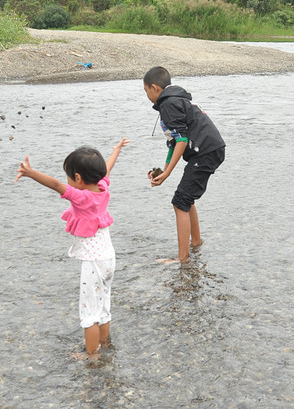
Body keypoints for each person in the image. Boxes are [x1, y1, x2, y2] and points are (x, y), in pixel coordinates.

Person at [15, 138, 128, 359]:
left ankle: (92, 355)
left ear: (77, 178)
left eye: (69, 176)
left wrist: (31, 173)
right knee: (103, 305)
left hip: (94, 261)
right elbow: (108, 167)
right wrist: (116, 150)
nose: (67, 181)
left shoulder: (82, 197)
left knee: (89, 310)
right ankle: (104, 344)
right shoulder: (102, 187)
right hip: (108, 258)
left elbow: (56, 185)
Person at [143, 66, 225, 264]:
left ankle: (183, 259)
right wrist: (162, 171)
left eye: (145, 91)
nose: (146, 95)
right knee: (186, 199)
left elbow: (182, 139)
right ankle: (196, 244)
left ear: (154, 87)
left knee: (179, 201)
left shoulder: (169, 104)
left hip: (205, 151)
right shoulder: (174, 100)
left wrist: (168, 174)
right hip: (210, 149)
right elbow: (174, 142)